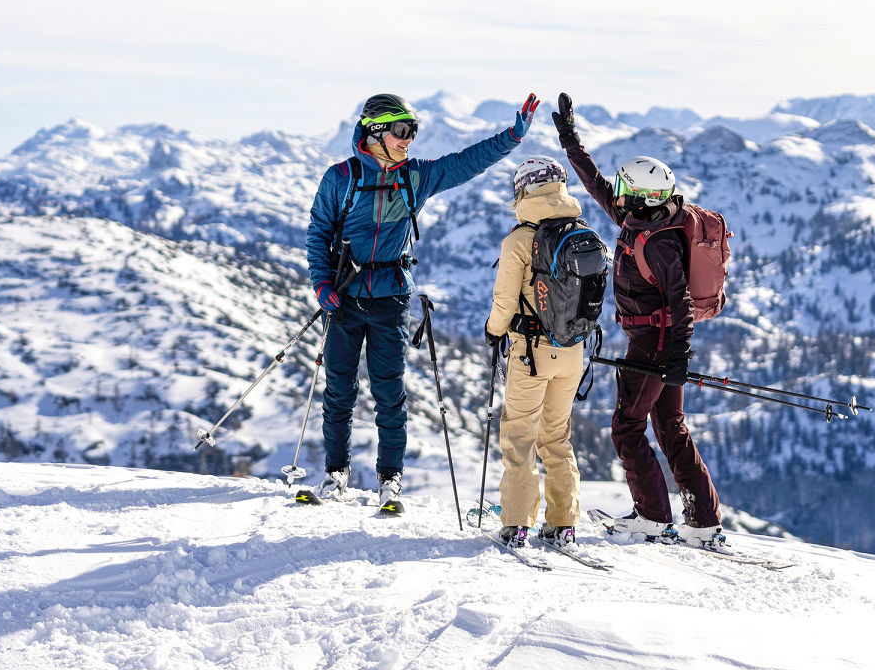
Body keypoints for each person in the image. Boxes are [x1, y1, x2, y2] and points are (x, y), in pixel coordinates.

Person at [306, 92, 539, 506]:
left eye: (412, 131)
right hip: (343, 297)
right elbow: (318, 234)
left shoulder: (415, 176)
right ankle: (335, 473)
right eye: (401, 130)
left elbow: (465, 162)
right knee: (339, 390)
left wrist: (512, 137)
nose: (408, 140)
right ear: (375, 131)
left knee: (389, 392)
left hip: (391, 298)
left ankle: (389, 478)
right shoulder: (340, 178)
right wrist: (321, 285)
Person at [550, 92, 724, 547]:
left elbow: (680, 301)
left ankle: (651, 517)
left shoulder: (660, 240)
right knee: (670, 426)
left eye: (626, 190)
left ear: (641, 195)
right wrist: (570, 140)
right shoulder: (638, 221)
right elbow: (595, 185)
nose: (619, 195)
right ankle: (703, 519)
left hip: (653, 343)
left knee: (628, 426)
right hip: (659, 342)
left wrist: (676, 356)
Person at [484, 157, 586, 549]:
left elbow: (504, 300)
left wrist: (494, 331)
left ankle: (517, 522)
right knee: (557, 437)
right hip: (573, 352)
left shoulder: (520, 240)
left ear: (523, 189)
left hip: (530, 353)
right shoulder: (580, 231)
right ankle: (563, 522)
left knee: (520, 436)